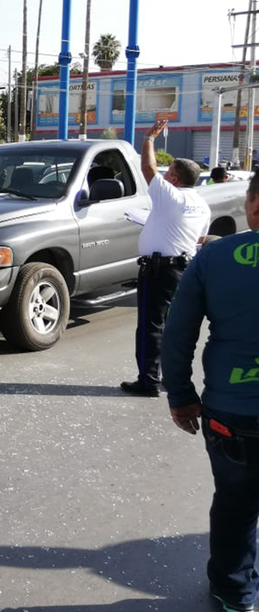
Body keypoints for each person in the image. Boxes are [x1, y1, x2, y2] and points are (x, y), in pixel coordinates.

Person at [160, 172, 259, 612]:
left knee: (236, 505)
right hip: (232, 412)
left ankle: (235, 593)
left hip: (231, 413)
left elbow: (178, 333)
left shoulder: (214, 257)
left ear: (253, 204)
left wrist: (181, 396)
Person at [120, 119, 211, 397]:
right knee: (174, 327)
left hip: (160, 271)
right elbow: (199, 239)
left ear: (173, 178)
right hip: (184, 268)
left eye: (168, 171)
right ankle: (170, 378)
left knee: (151, 326)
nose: (164, 174)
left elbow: (148, 168)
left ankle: (148, 381)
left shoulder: (170, 195)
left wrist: (148, 138)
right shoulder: (201, 204)